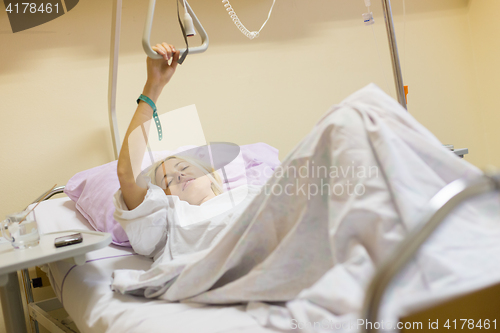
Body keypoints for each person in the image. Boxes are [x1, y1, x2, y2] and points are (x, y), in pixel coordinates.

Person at [114, 42, 261, 261]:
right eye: (167, 181)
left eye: (184, 168)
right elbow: (127, 174)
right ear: (159, 198)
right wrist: (153, 86)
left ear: (212, 173)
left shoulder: (251, 194)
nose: (180, 175)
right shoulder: (169, 219)